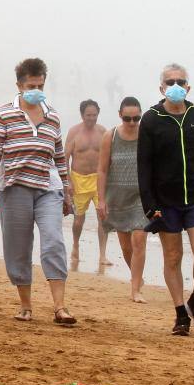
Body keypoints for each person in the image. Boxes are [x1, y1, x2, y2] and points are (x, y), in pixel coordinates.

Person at [0, 58, 75, 325]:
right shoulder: (5, 113)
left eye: (40, 84)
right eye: (31, 85)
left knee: (53, 241)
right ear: (19, 85)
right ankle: (25, 305)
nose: (36, 89)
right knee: (18, 247)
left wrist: (67, 192)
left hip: (47, 188)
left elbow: (59, 157)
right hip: (14, 188)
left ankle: (60, 306)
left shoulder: (53, 115)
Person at [138, 63, 194, 336]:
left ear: (188, 86)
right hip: (165, 200)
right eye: (170, 81)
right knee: (173, 255)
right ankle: (180, 314)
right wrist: (149, 204)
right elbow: (144, 165)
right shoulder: (151, 119)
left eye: (180, 81)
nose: (175, 84)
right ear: (161, 87)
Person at [96, 97, 148, 302]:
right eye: (128, 118)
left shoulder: (146, 134)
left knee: (139, 240)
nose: (133, 123)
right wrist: (101, 200)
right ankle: (137, 277)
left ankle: (135, 290)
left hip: (141, 197)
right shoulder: (111, 136)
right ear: (120, 115)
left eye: (137, 118)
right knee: (126, 247)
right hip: (117, 197)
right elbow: (102, 170)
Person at [65, 100, 109, 264]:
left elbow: (108, 159)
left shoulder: (103, 131)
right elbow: (65, 158)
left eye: (94, 115)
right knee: (78, 220)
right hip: (79, 180)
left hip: (98, 180)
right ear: (82, 115)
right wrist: (68, 181)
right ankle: (76, 246)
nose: (92, 118)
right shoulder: (74, 132)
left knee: (103, 218)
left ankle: (102, 255)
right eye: (88, 115)